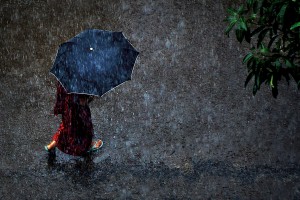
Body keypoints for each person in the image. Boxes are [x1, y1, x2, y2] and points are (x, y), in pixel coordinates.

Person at [45, 81, 103, 156]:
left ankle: (51, 145)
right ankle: (87, 145)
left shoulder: (67, 77)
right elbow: (82, 101)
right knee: (83, 126)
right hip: (77, 106)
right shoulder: (82, 80)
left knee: (67, 125)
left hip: (67, 102)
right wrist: (90, 96)